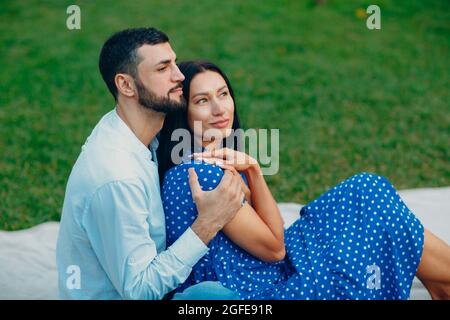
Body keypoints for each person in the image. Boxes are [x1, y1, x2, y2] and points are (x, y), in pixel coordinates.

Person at [157, 60, 450, 300]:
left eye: (223, 94)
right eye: (202, 101)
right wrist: (255, 173)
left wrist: (250, 171)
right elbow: (276, 249)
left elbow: (273, 235)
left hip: (263, 267)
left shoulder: (209, 162)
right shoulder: (201, 172)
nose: (220, 109)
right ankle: (443, 286)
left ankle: (442, 286)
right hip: (262, 290)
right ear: (183, 113)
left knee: (366, 191)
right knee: (372, 208)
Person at [56, 28, 244, 300]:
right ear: (126, 85)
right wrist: (209, 222)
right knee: (218, 297)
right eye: (163, 68)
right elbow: (140, 291)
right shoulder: (117, 177)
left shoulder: (134, 130)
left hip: (157, 279)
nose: (179, 76)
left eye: (174, 62)